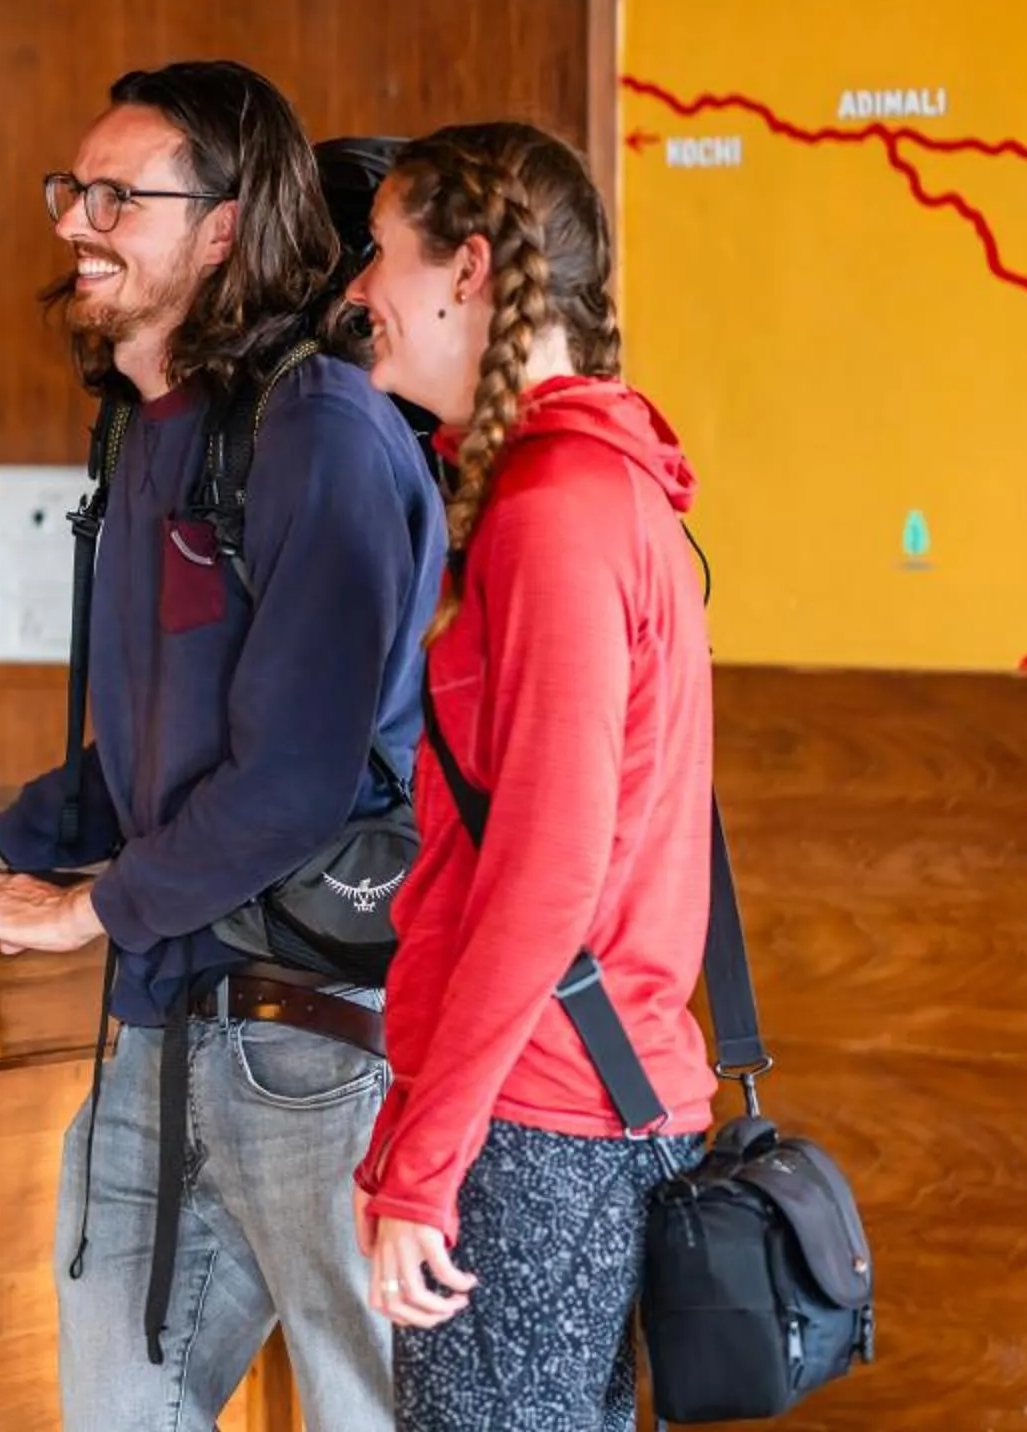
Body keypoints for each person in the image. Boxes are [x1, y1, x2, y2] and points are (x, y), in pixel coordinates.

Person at [0, 62, 444, 1430]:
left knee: (379, 1416)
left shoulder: (322, 433)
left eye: (120, 196)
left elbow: (293, 776)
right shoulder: (145, 427)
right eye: (74, 190)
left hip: (318, 1052)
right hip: (158, 1030)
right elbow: (170, 739)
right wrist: (11, 831)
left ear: (226, 229)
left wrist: (90, 905)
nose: (77, 221)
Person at [342, 122, 716, 1431]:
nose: (359, 293)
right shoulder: (598, 490)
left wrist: (424, 1161)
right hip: (580, 1104)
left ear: (473, 269)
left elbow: (548, 877)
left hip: (540, 1123)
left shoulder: (557, 512)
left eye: (382, 254)